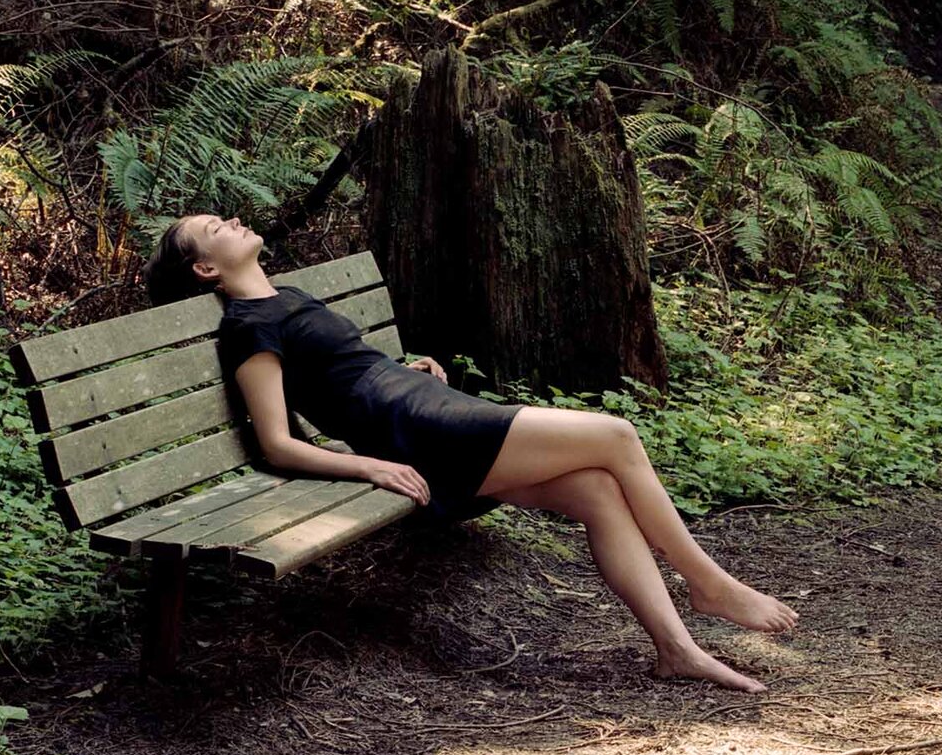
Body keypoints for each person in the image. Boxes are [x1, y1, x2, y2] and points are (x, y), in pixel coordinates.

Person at [146, 214, 798, 692]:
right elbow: (277, 444)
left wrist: (405, 367)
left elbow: (341, 375)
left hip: (422, 407)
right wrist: (368, 464)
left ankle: (675, 650)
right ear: (206, 269)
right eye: (213, 227)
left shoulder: (284, 297)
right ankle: (708, 584)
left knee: (600, 488)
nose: (230, 220)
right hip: (416, 435)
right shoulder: (250, 327)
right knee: (616, 435)